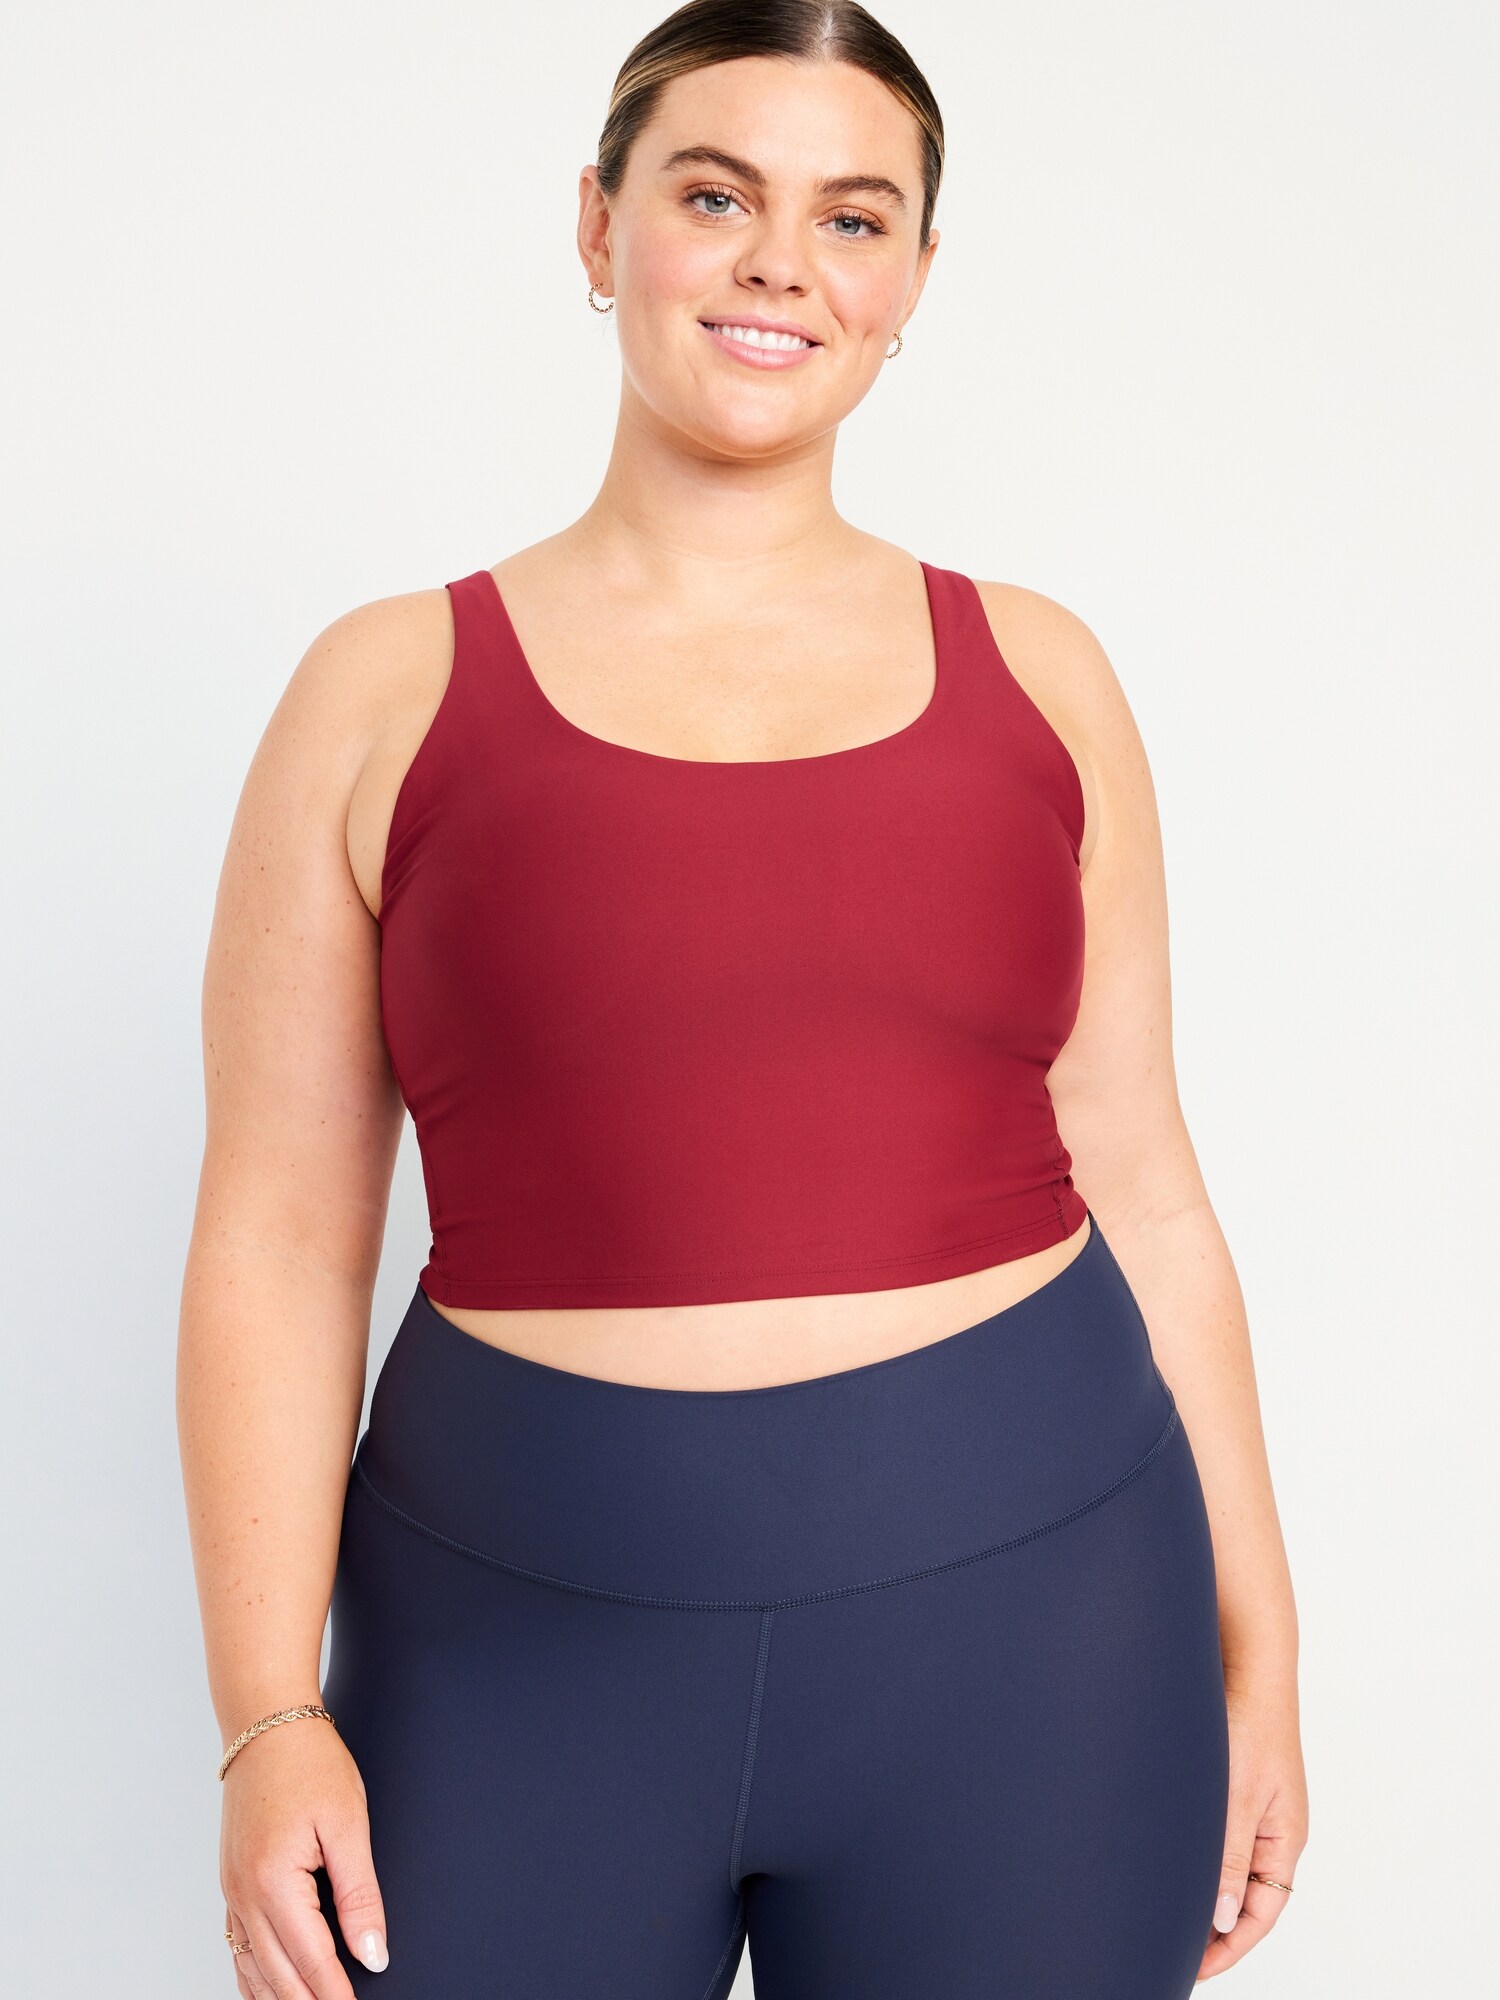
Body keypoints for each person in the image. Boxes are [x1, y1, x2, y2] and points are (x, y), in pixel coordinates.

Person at [178, 4, 1308, 1995]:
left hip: (1038, 1630)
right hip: (513, 1639)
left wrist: (1261, 1651)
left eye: (852, 218)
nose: (784, 262)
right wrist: (267, 1715)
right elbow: (279, 1231)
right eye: (718, 196)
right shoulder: (381, 692)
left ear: (913, 281)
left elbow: (1145, 1177)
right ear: (599, 225)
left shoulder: (1042, 677)